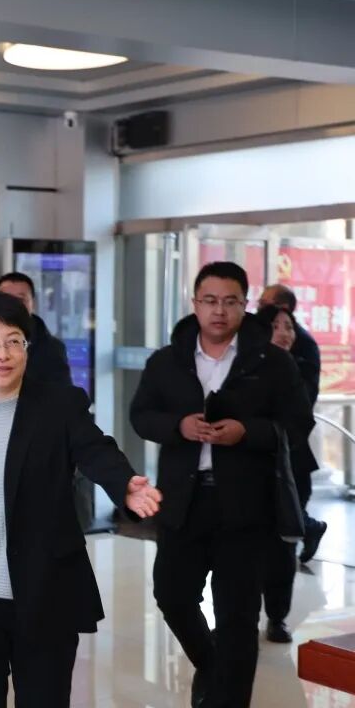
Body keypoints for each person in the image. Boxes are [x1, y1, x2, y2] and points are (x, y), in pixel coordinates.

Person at [0, 290, 161, 707]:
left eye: (14, 341)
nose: (2, 353)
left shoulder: (59, 405)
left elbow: (95, 448)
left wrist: (124, 484)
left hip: (45, 595)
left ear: (27, 348)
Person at [130, 262, 314, 708]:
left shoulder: (271, 362)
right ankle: (211, 666)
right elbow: (141, 416)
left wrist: (247, 432)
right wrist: (178, 426)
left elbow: (297, 424)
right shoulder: (167, 360)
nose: (219, 311)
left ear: (244, 305)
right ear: (195, 304)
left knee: (238, 617)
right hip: (184, 501)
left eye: (230, 301)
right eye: (210, 301)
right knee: (172, 595)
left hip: (246, 506)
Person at [256, 304, 326, 643]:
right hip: (250, 468)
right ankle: (239, 614)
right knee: (245, 545)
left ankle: (277, 617)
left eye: (289, 326)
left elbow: (301, 417)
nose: (284, 333)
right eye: (276, 326)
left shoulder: (301, 366)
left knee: (283, 546)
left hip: (292, 468)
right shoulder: (243, 368)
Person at [258, 284, 328, 564]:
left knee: (285, 519)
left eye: (265, 303)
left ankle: (308, 529)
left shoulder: (303, 348)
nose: (284, 333)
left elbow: (303, 407)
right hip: (260, 456)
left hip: (291, 453)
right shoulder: (253, 352)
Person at [0, 271, 71, 394]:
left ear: (33, 303)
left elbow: (62, 397)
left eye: (20, 299)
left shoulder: (52, 348)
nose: (12, 306)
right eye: (5, 299)